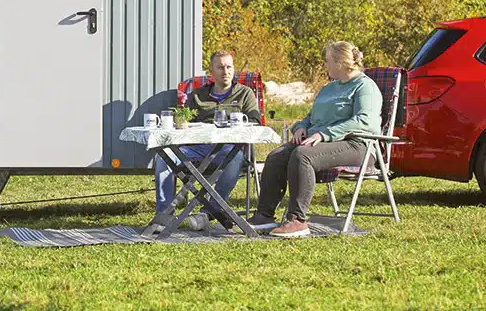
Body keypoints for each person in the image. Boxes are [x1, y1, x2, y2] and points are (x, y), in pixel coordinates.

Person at [250, 41, 382, 238]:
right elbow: (312, 116)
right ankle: (264, 216)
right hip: (322, 142)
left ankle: (297, 220)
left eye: (327, 61)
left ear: (340, 63)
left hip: (358, 145)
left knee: (303, 155)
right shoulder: (329, 88)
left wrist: (324, 134)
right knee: (277, 156)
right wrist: (301, 126)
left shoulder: (365, 87)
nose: (325, 65)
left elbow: (363, 122)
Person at [154, 50, 261, 230]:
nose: (225, 71)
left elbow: (256, 121)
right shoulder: (197, 95)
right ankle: (164, 215)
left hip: (227, 149)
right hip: (196, 148)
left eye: (229, 67)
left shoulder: (245, 93)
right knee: (164, 156)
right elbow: (183, 120)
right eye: (220, 67)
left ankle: (210, 211)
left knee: (235, 158)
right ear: (211, 70)